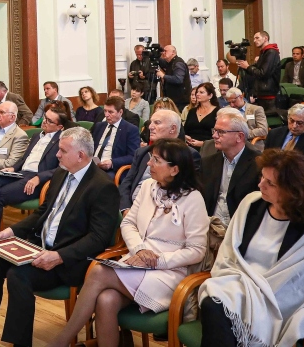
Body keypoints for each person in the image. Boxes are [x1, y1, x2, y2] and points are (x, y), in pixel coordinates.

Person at [47, 139, 208, 347]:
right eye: (150, 158)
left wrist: (158, 261)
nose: (149, 164)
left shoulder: (193, 199)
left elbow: (197, 250)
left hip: (169, 272)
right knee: (106, 300)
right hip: (136, 262)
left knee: (98, 271)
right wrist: (139, 249)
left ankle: (60, 342)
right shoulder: (148, 186)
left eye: (156, 160)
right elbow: (128, 223)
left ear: (174, 170)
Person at [0, 127, 120, 347]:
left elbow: (98, 238)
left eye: (62, 150)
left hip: (68, 260)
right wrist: (13, 231)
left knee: (18, 275)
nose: (57, 155)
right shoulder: (61, 173)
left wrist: (59, 256)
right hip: (39, 246)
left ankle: (21, 344)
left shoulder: (102, 187)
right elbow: (43, 212)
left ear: (80, 155)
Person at [197, 149, 304, 347]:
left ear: (293, 190)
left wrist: (260, 292)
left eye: (270, 183)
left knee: (220, 311)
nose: (260, 185)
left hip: (286, 292)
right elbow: (229, 253)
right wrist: (247, 287)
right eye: (262, 177)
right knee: (213, 301)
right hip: (241, 281)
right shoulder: (251, 203)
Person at [0, 104, 65, 249]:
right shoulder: (36, 135)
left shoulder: (61, 141)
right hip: (21, 173)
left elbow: (62, 168)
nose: (44, 122)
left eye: (50, 121)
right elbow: (24, 158)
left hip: (37, 179)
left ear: (59, 127)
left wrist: (39, 177)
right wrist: (13, 168)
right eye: (45, 118)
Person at [119, 109, 200, 211]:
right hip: (133, 207)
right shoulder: (142, 152)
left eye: (157, 123)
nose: (150, 127)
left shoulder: (188, 155)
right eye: (151, 122)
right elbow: (127, 182)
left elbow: (183, 192)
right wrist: (126, 208)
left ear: (173, 128)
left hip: (164, 210)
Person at [201, 110, 261, 227]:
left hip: (242, 226)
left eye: (221, 132)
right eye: (214, 131)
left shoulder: (258, 163)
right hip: (211, 226)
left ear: (239, 136)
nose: (214, 136)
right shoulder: (208, 163)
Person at [90, 96, 141, 177]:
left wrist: (112, 163)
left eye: (110, 112)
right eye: (105, 111)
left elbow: (133, 156)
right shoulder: (99, 126)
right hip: (93, 165)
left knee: (100, 179)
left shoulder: (130, 130)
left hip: (112, 169)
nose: (106, 115)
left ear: (120, 112)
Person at [235, 30, 282, 104]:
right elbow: (257, 71)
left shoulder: (271, 52)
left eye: (257, 38)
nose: (254, 41)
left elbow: (262, 73)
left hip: (269, 94)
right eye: (254, 39)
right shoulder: (264, 52)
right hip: (262, 93)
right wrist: (245, 67)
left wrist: (247, 67)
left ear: (265, 38)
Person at [183, 82, 220, 147]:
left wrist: (203, 144)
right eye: (197, 92)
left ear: (210, 95)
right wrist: (186, 137)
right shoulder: (192, 111)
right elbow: (185, 130)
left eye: (201, 92)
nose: (197, 94)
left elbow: (219, 134)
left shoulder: (218, 112)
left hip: (209, 147)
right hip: (190, 146)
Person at [157, 45, 191, 111]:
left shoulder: (178, 63)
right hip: (173, 99)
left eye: (165, 51)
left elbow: (178, 79)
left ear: (173, 52)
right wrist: (156, 54)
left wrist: (163, 76)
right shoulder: (170, 63)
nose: (163, 53)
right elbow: (161, 62)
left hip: (180, 101)